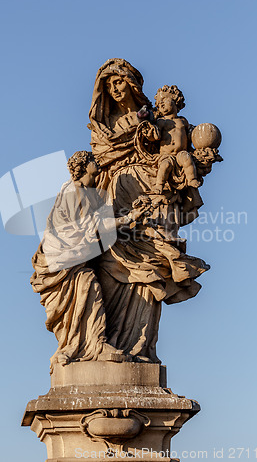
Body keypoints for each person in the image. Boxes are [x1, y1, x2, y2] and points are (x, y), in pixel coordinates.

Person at [88, 59, 209, 363]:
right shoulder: (103, 129)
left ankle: (139, 347)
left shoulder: (158, 119)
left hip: (154, 196)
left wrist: (200, 162)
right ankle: (106, 343)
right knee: (110, 266)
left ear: (131, 83)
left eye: (119, 82)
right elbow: (96, 166)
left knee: (152, 265)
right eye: (109, 85)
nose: (114, 89)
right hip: (116, 195)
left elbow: (177, 156)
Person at [31, 150, 133, 370]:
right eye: (93, 161)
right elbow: (92, 228)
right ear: (84, 167)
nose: (97, 163)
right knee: (89, 287)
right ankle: (83, 346)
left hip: (74, 260)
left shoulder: (87, 192)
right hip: (63, 261)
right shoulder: (74, 192)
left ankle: (92, 344)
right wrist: (128, 218)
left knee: (90, 287)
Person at [154, 85, 200, 194]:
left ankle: (191, 179)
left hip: (180, 153)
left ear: (176, 100)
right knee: (165, 166)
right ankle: (159, 185)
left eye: (164, 99)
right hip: (166, 155)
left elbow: (190, 134)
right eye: (159, 103)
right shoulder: (161, 122)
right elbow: (156, 136)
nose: (161, 103)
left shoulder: (183, 121)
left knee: (187, 159)